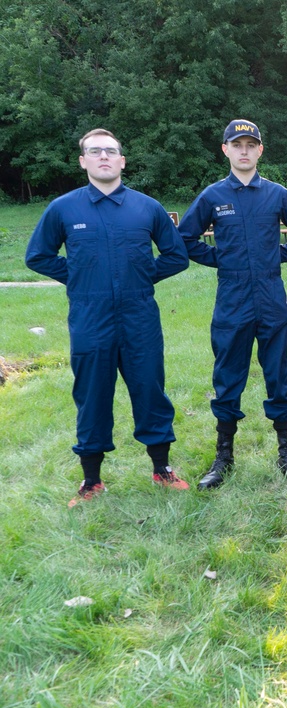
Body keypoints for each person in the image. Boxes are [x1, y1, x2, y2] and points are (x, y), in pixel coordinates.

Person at [25, 128, 190, 507]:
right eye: (94, 151)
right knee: (91, 396)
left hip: (139, 318)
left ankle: (162, 470)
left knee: (150, 391)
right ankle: (91, 480)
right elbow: (38, 256)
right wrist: (79, 277)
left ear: (122, 161)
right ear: (83, 160)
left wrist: (143, 276)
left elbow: (176, 255)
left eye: (111, 151)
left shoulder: (146, 207)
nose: (103, 157)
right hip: (90, 319)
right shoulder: (64, 209)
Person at [178, 119, 287, 489]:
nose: (244, 151)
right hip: (232, 299)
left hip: (272, 298)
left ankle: (286, 454)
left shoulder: (276, 194)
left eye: (250, 145)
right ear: (225, 150)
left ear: (260, 151)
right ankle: (223, 456)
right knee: (227, 378)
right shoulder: (212, 196)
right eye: (236, 144)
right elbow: (186, 239)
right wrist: (220, 260)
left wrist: (276, 257)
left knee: (278, 375)